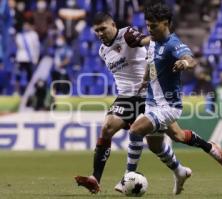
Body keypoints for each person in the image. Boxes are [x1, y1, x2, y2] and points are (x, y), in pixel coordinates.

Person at [115, 2, 222, 193]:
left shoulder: (172, 44)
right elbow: (150, 63)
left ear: (166, 23)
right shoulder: (152, 42)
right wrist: (144, 81)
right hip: (152, 104)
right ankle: (186, 165)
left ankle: (127, 178)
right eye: (148, 25)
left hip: (169, 105)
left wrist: (184, 63)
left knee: (135, 130)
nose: (149, 29)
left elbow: (190, 59)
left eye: (154, 25)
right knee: (165, 141)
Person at [74, 12, 192, 195]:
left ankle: (183, 167)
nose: (100, 33)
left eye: (103, 28)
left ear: (113, 25)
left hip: (148, 95)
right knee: (107, 127)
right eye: (96, 30)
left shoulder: (127, 34)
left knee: (171, 138)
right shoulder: (102, 50)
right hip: (126, 97)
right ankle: (95, 178)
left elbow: (149, 41)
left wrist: (154, 48)